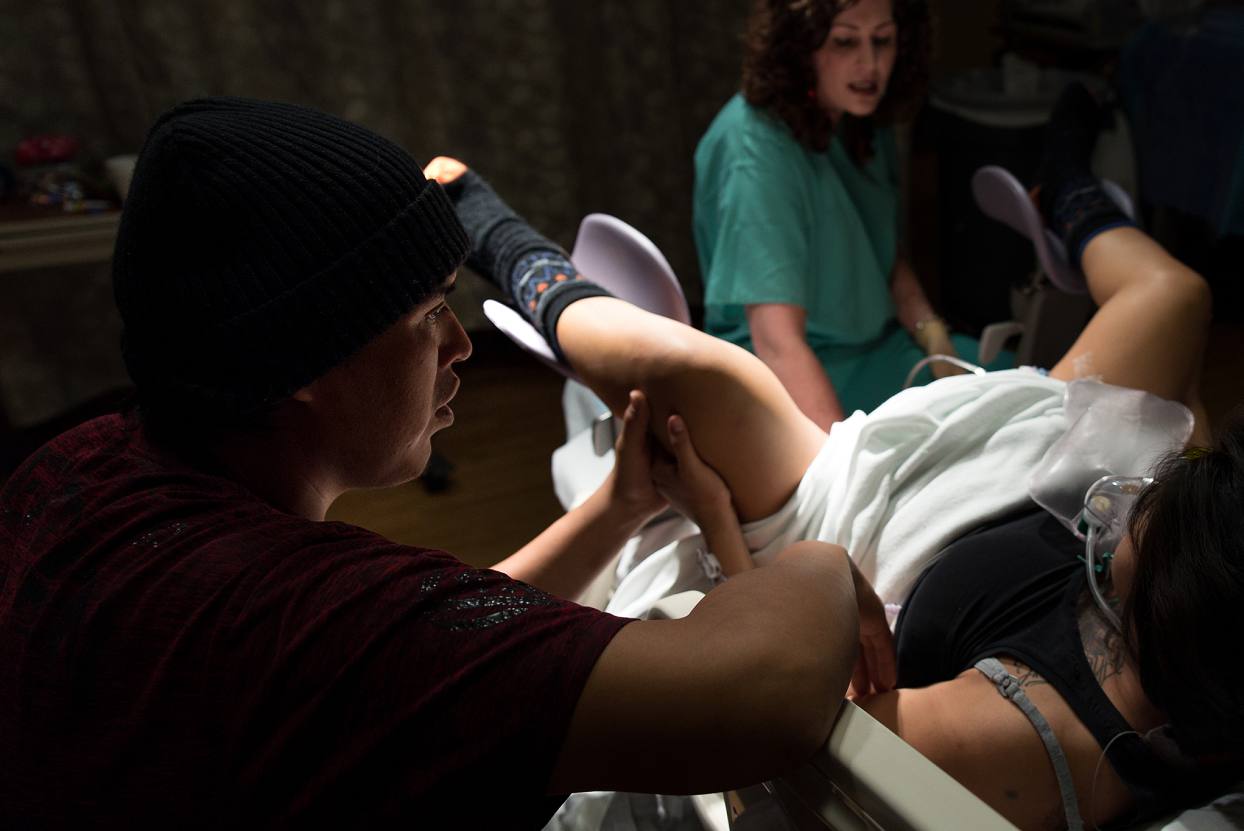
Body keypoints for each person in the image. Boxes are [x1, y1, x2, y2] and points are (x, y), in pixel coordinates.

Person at [0, 98, 882, 829]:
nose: (462, 343)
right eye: (427, 314)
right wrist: (824, 558)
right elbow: (754, 699)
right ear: (305, 361)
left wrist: (616, 509)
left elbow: (429, 653)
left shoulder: (71, 467)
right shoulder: (298, 623)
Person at [421, 86, 1240, 827]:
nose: (1125, 496)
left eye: (1136, 510)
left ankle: (510, 250)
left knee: (693, 374)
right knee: (1178, 298)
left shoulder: (1026, 732)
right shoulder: (1161, 613)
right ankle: (1063, 174)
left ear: (1166, 592)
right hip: (1019, 444)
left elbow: (773, 723)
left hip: (867, 514)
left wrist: (716, 520)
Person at [693, 0, 1006, 427]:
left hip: (878, 346)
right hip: (785, 374)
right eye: (844, 41)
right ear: (800, 44)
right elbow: (777, 342)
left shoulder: (858, 121)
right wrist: (841, 471)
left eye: (883, 40)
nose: (870, 64)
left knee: (1022, 385)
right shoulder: (758, 149)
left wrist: (934, 337)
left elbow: (881, 250)